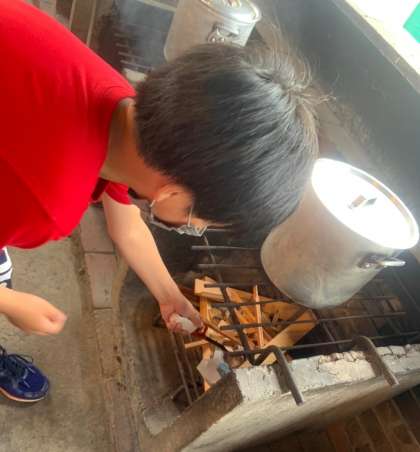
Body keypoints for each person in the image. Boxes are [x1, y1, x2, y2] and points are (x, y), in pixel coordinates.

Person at [0, 0, 319, 402]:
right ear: (171, 193)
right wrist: (11, 304)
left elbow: (126, 224)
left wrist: (169, 294)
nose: (197, 228)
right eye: (202, 221)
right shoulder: (46, 202)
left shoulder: (121, 106)